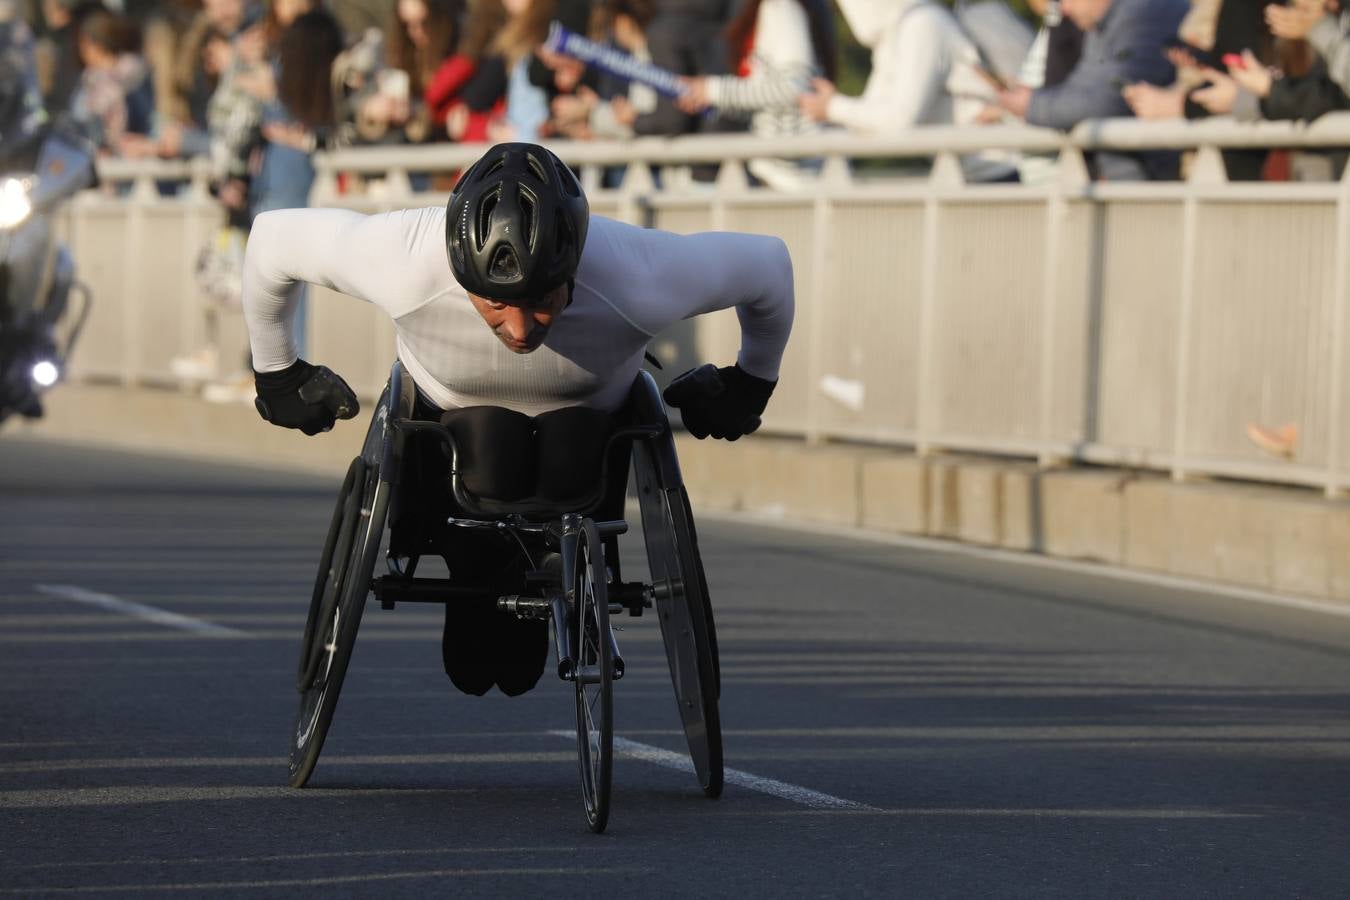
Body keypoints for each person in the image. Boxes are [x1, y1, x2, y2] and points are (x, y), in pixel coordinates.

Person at [241, 142, 794, 697]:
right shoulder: (405, 255)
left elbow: (769, 266)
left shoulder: (635, 271)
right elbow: (272, 240)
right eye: (496, 303)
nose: (521, 328)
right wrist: (277, 374)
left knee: (565, 449)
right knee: (487, 463)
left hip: (586, 436)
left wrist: (751, 383)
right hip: (450, 434)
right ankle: (472, 555)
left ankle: (546, 558)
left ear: (573, 267)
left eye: (542, 300)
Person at [797, 0, 1018, 184]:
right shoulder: (896, 32)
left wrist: (832, 107)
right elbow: (870, 120)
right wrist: (827, 111)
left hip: (1000, 175)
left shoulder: (922, 24)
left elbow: (900, 121)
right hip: (969, 177)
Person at [996, 0, 1189, 181]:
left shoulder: (1145, 10)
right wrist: (1035, 102)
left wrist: (1032, 105)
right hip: (1135, 179)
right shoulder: (1106, 20)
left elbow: (1111, 99)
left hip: (1162, 180)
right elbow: (1083, 86)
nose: (1064, 9)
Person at [676, 0, 836, 190]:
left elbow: (794, 88)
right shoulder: (776, 9)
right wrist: (710, 99)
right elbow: (768, 101)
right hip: (782, 174)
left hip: (791, 178)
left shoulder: (782, 8)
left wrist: (713, 91)